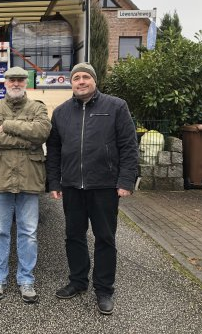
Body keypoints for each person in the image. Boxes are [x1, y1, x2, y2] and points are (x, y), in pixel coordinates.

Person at [46, 62, 138, 315]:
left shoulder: (116, 106)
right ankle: (78, 281)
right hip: (72, 185)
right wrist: (54, 182)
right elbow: (54, 150)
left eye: (86, 77)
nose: (81, 81)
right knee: (74, 236)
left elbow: (129, 145)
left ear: (94, 81)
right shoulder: (61, 112)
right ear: (71, 83)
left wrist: (126, 180)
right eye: (76, 78)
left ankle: (104, 289)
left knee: (105, 238)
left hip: (104, 185)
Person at [0, 66, 51, 303]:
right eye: (12, 80)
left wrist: (10, 126)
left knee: (28, 233)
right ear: (5, 83)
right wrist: (27, 140)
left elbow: (41, 133)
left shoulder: (38, 108)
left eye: (20, 80)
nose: (16, 83)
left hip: (29, 176)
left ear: (26, 83)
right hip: (1, 176)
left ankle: (26, 280)